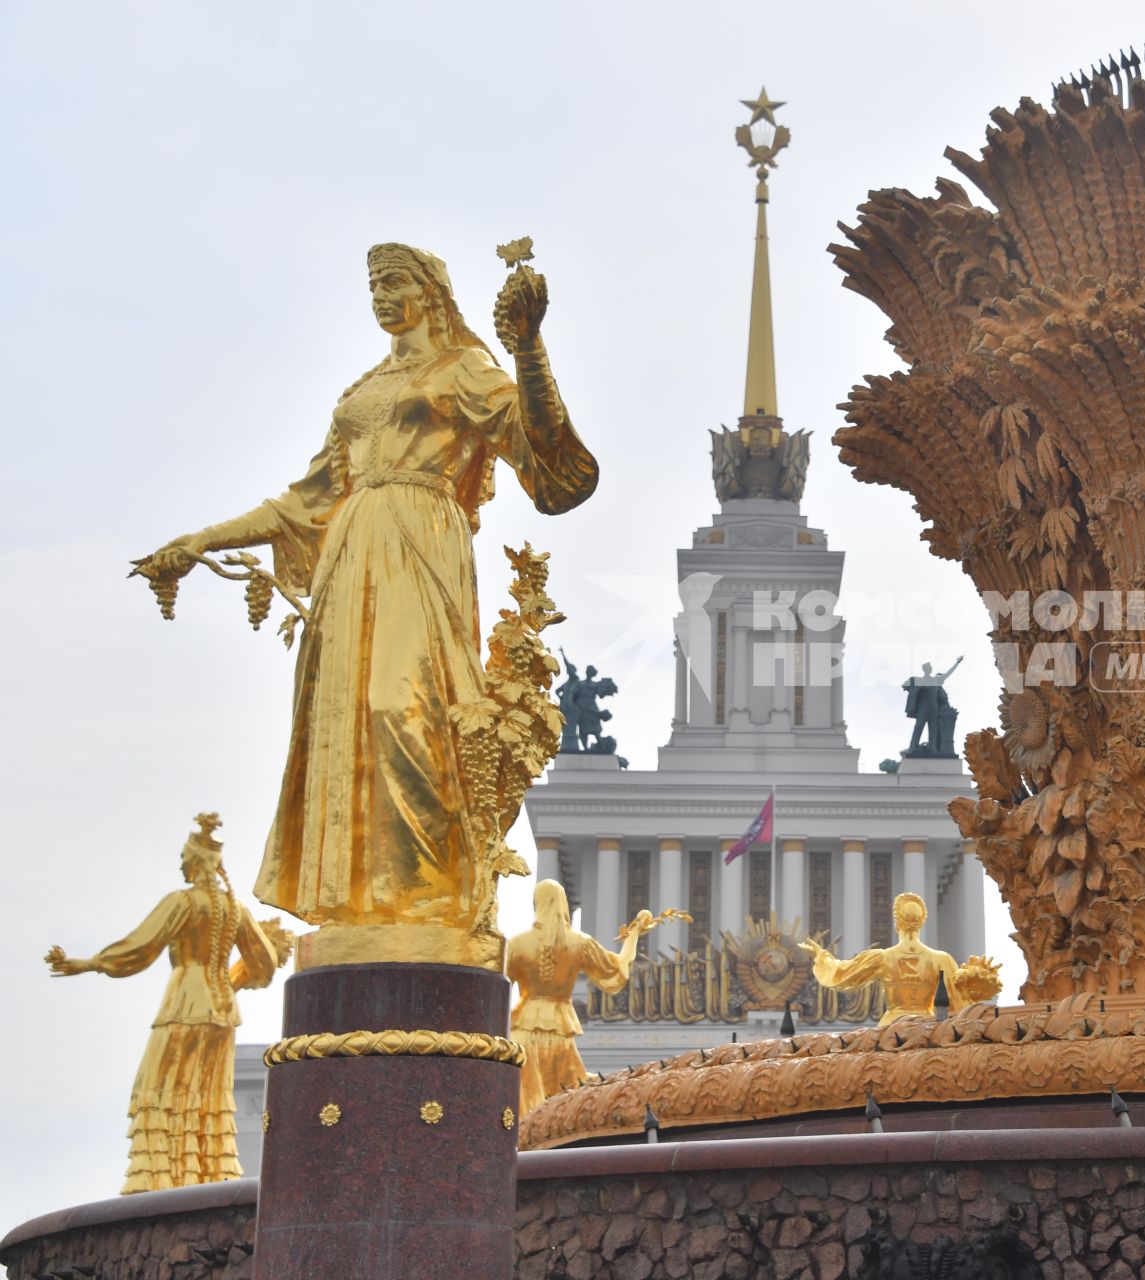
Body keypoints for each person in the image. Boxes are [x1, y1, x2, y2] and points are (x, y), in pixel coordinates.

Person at [139, 245, 596, 931]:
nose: (382, 296)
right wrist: (202, 539)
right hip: (351, 558)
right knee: (346, 723)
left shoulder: (464, 369)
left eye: (397, 282)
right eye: (374, 285)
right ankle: (368, 903)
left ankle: (431, 899)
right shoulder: (362, 393)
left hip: (422, 541)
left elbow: (537, 446)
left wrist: (528, 347)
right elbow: (305, 501)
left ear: (432, 293)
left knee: (402, 709)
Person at [47, 814, 284, 1193]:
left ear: (197, 862)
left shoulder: (184, 902)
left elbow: (143, 946)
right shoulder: (236, 909)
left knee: (160, 1086)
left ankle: (160, 1180)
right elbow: (265, 963)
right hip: (222, 1013)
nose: (180, 864)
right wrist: (229, 983)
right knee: (207, 1092)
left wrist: (90, 963)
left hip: (184, 1003)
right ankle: (206, 1174)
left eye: (184, 857)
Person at [506, 880, 686, 1115]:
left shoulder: (517, 944)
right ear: (564, 906)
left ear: (536, 904)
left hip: (522, 1033)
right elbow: (616, 972)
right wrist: (634, 935)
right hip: (561, 1033)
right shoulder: (580, 943)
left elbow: (497, 987)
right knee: (564, 1104)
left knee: (523, 1109)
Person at [800, 892, 960, 1027]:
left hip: (892, 1028)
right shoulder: (942, 960)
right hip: (927, 1027)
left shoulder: (882, 958)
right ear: (921, 922)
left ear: (897, 924)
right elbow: (957, 1006)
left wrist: (822, 957)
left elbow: (842, 974)